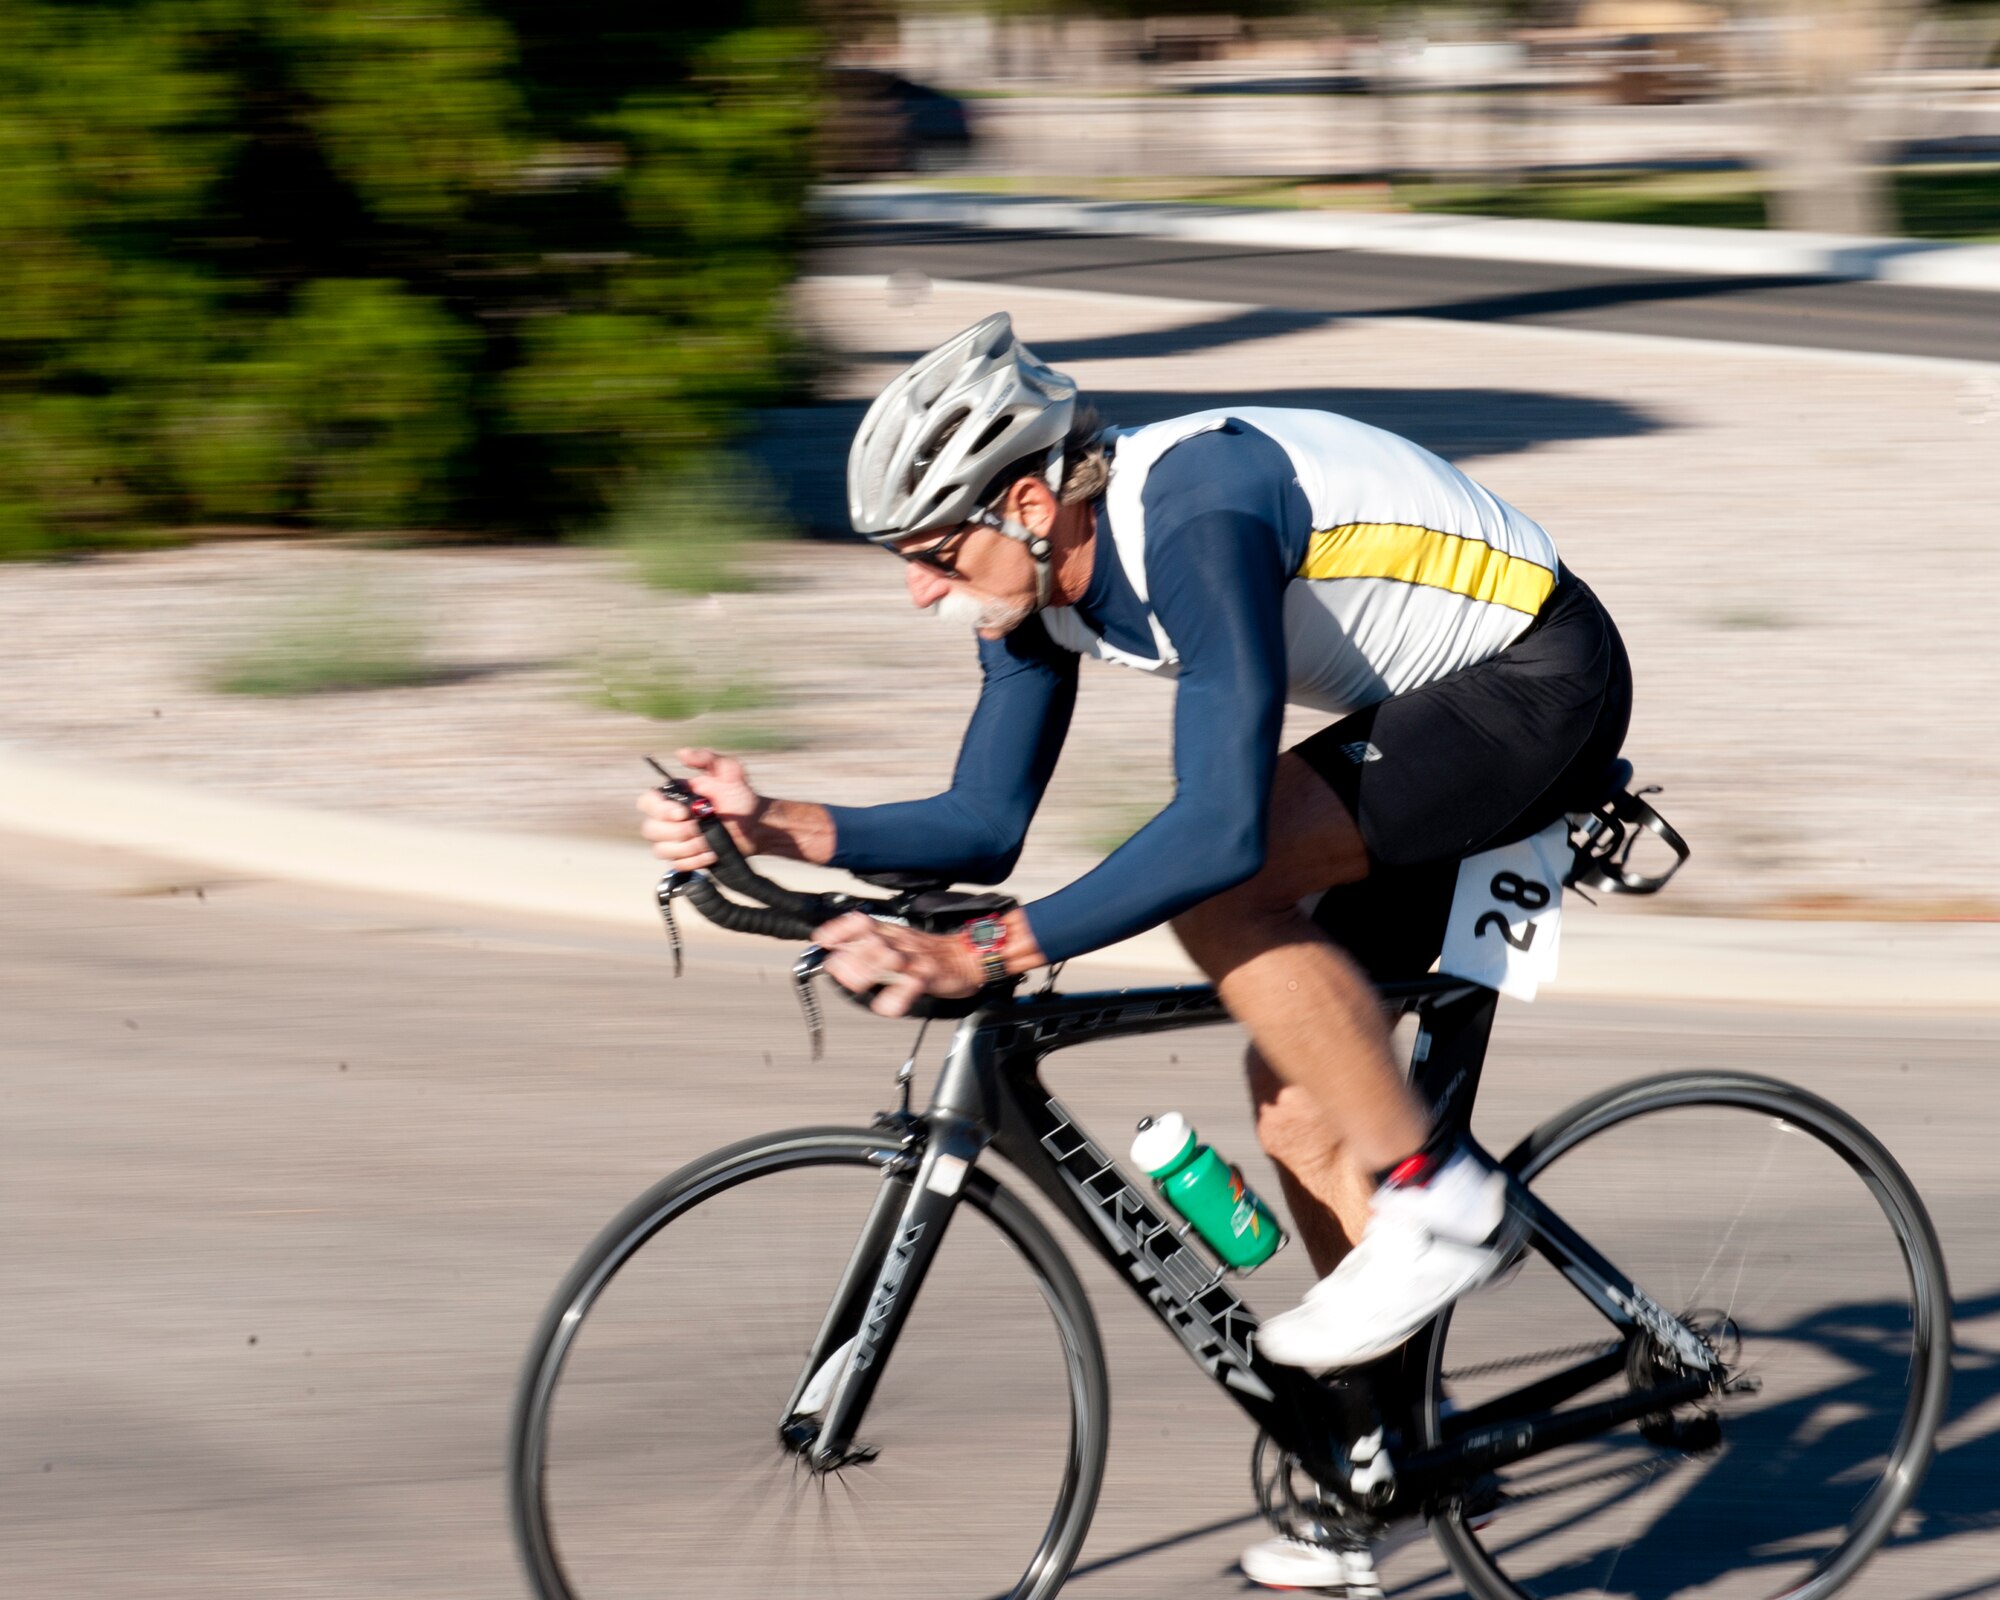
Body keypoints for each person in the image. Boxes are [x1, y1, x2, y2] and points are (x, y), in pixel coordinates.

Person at [638, 312, 1631, 1589]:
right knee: (1303, 1110)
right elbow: (982, 821)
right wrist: (771, 820)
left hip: (1537, 681)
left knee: (1220, 892)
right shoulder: (1037, 588)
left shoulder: (1200, 513)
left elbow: (1215, 829)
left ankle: (1444, 1198)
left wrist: (992, 951)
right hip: (1419, 712)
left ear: (1029, 502)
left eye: (933, 554)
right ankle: (1382, 1460)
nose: (920, 591)